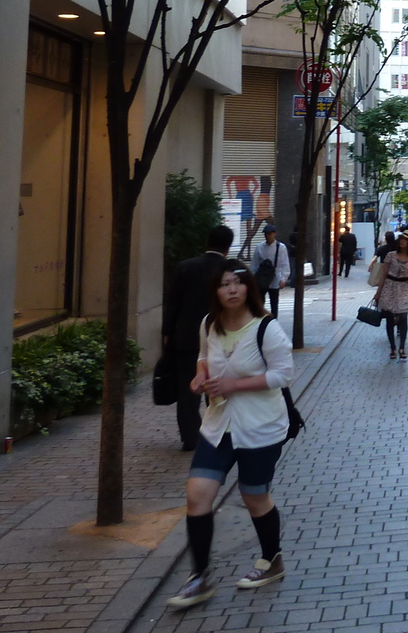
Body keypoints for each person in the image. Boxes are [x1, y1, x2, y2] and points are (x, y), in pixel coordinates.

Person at [165, 260, 294, 609]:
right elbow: (204, 357)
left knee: (255, 497)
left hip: (260, 427)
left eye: (238, 283)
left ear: (248, 288)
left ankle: (271, 559)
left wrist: (234, 384)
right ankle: (199, 577)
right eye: (224, 284)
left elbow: (283, 374)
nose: (232, 290)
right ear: (216, 291)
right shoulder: (209, 323)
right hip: (219, 425)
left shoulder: (266, 328)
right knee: (198, 495)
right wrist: (200, 376)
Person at [163, 226, 236, 451]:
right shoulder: (230, 270)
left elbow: (172, 302)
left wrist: (167, 333)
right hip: (221, 337)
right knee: (218, 385)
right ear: (228, 246)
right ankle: (219, 431)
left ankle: (190, 437)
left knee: (188, 388)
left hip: (187, 337)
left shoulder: (185, 267)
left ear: (207, 241)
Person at [374, 233, 408, 360]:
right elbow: (383, 274)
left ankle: (402, 347)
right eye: (401, 240)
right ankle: (393, 347)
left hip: (404, 287)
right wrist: (378, 292)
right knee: (389, 317)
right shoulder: (391, 255)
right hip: (389, 286)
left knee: (403, 316)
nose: (402, 242)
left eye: (405, 240)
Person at [251, 223, 291, 317]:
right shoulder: (259, 247)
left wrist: (283, 279)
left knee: (274, 303)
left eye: (269, 233)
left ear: (275, 234)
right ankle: (260, 320)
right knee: (260, 302)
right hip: (261, 278)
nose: (267, 236)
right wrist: (253, 278)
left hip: (275, 278)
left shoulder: (281, 247)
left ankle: (274, 321)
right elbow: (254, 264)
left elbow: (284, 264)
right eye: (265, 234)